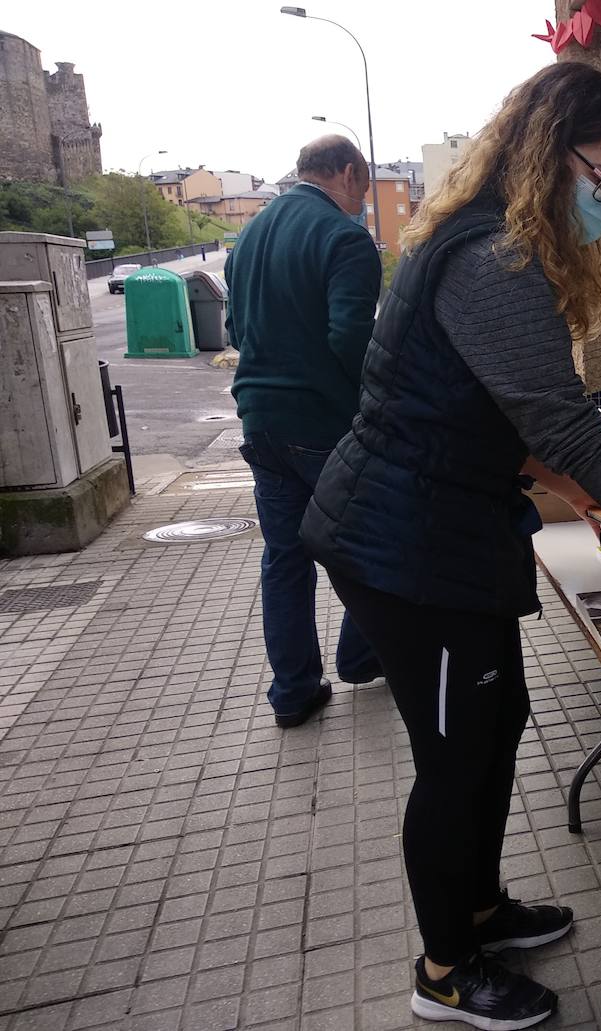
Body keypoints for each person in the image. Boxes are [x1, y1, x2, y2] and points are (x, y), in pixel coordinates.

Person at [300, 64, 601, 1027]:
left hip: (446, 529)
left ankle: (480, 908)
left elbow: (507, 415)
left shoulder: (489, 245)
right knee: (452, 757)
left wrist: (571, 491)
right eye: (599, 177)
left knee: (498, 717)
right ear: (543, 158)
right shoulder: (494, 261)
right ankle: (444, 968)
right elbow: (563, 424)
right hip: (406, 542)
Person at [226, 135, 383, 728]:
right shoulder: (344, 238)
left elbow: (236, 329)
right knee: (366, 543)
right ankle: (362, 658)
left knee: (285, 557)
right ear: (346, 173)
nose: (361, 201)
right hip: (323, 427)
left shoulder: (249, 236)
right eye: (363, 189)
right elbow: (350, 338)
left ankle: (293, 692)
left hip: (259, 424)